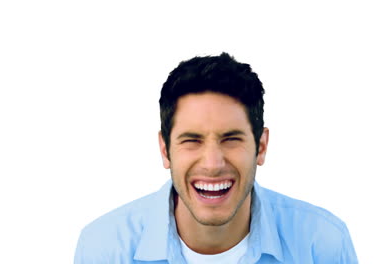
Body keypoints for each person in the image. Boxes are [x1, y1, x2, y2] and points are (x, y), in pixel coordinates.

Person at [74, 53, 358, 263]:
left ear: (261, 147)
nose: (212, 164)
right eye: (192, 140)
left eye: (231, 139)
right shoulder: (104, 247)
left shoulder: (322, 243)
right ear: (165, 150)